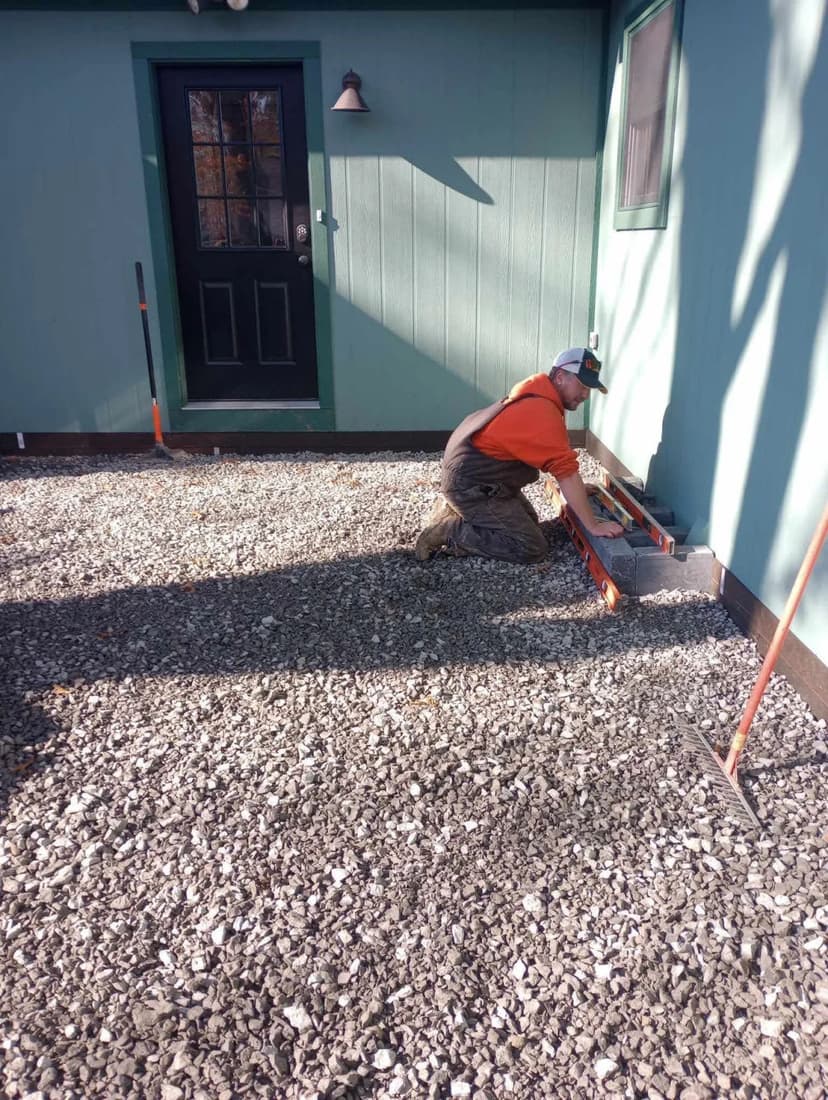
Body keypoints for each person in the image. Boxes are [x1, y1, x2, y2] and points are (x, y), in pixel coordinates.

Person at [415, 347, 624, 563]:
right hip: (471, 485)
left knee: (531, 522)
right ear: (560, 377)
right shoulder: (541, 409)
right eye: (582, 386)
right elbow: (566, 474)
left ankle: (459, 511)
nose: (585, 395)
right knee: (530, 546)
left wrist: (578, 492)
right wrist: (593, 526)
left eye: (589, 389)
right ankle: (448, 530)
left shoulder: (539, 395)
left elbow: (557, 460)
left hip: (484, 478)